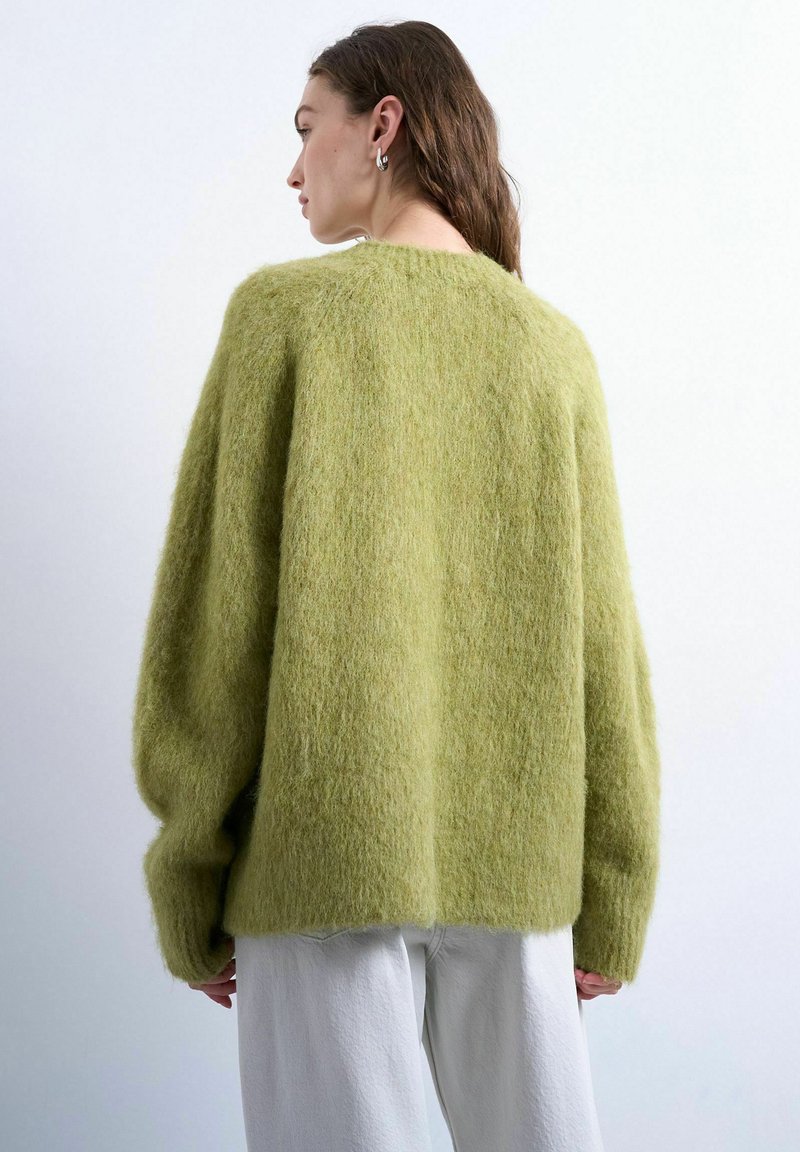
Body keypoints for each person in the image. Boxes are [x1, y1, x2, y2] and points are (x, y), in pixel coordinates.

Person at [132, 19, 660, 1152]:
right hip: (520, 869)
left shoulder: (283, 318)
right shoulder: (549, 347)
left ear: (383, 124)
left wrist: (191, 874)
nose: (292, 168)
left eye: (305, 128)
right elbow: (603, 650)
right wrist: (615, 885)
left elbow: (217, 629)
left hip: (317, 866)